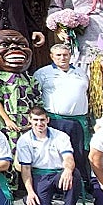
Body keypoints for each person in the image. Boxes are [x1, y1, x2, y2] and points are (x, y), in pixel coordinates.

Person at [33, 43, 91, 181]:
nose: (62, 58)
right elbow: (35, 95)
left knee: (79, 155)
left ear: (70, 56)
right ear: (51, 56)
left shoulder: (81, 72)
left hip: (78, 122)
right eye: (58, 55)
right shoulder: (42, 73)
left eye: (65, 55)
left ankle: (80, 184)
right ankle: (56, 184)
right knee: (56, 154)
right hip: (56, 121)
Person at [17, 107, 78, 205]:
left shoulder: (60, 136)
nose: (39, 123)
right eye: (36, 120)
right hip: (40, 176)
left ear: (48, 120)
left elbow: (68, 158)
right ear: (30, 120)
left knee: (74, 173)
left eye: (42, 120)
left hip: (58, 174)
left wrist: (68, 170)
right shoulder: (24, 140)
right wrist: (30, 192)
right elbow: (26, 169)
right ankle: (33, 199)